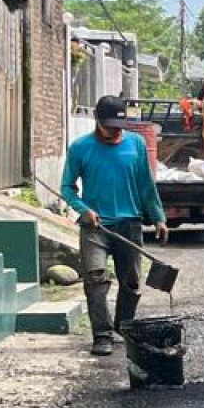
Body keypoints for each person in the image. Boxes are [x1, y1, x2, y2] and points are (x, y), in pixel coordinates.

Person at [59, 96, 168, 358]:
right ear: (97, 120)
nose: (115, 132)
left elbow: (146, 185)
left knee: (130, 282)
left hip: (129, 223)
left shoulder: (137, 144)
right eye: (110, 126)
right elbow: (67, 188)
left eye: (119, 126)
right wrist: (83, 210)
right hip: (95, 227)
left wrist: (158, 217)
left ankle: (123, 326)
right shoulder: (80, 148)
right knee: (96, 279)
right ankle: (102, 335)